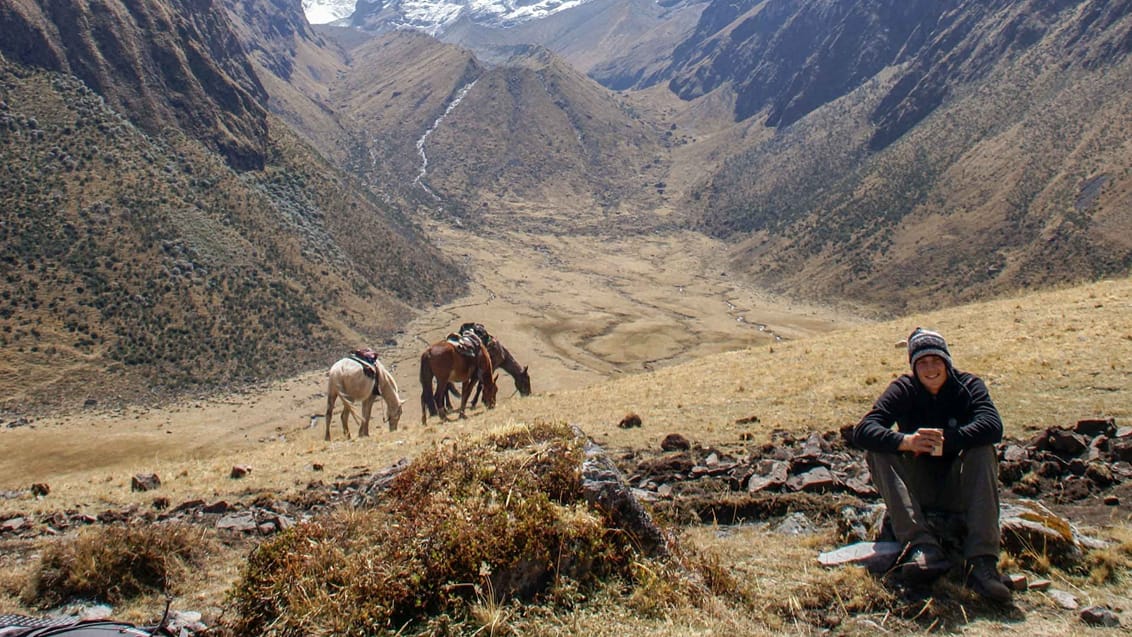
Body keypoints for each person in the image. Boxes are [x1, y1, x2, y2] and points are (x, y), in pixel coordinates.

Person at [852, 327, 1012, 603]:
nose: (930, 368)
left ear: (947, 362)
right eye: (922, 362)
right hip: (918, 487)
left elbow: (993, 426)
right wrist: (907, 442)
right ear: (913, 366)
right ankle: (920, 546)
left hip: (959, 486)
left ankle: (983, 561)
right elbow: (864, 429)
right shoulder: (903, 388)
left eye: (936, 360)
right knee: (879, 451)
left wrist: (949, 440)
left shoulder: (969, 386)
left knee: (982, 450)